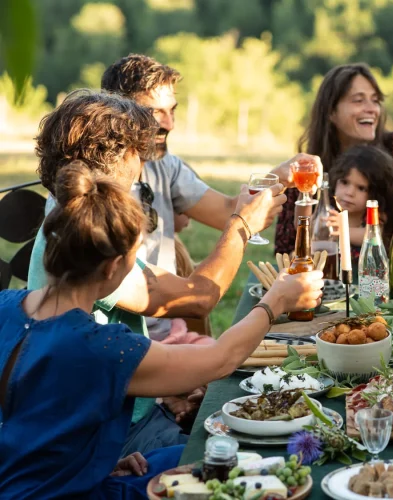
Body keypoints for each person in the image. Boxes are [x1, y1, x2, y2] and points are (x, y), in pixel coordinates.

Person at [0, 163, 323, 499]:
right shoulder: (102, 347)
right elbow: (219, 359)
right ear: (113, 266)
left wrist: (94, 461)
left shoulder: (6, 306)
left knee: (181, 459)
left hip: (31, 479)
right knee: (241, 465)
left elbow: (33, 421)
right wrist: (276, 302)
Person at [27, 89, 287, 454]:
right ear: (117, 158)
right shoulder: (92, 245)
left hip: (116, 418)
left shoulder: (65, 222)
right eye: (137, 151)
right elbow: (198, 299)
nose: (142, 164)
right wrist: (243, 228)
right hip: (116, 435)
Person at [273, 62, 393, 256]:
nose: (371, 109)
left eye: (375, 100)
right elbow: (285, 250)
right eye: (358, 100)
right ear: (331, 111)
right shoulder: (308, 166)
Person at [325, 145, 393, 269]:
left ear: (376, 194)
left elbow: (373, 236)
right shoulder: (330, 210)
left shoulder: (374, 215)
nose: (349, 192)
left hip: (366, 279)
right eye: (344, 182)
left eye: (361, 188)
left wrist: (342, 229)